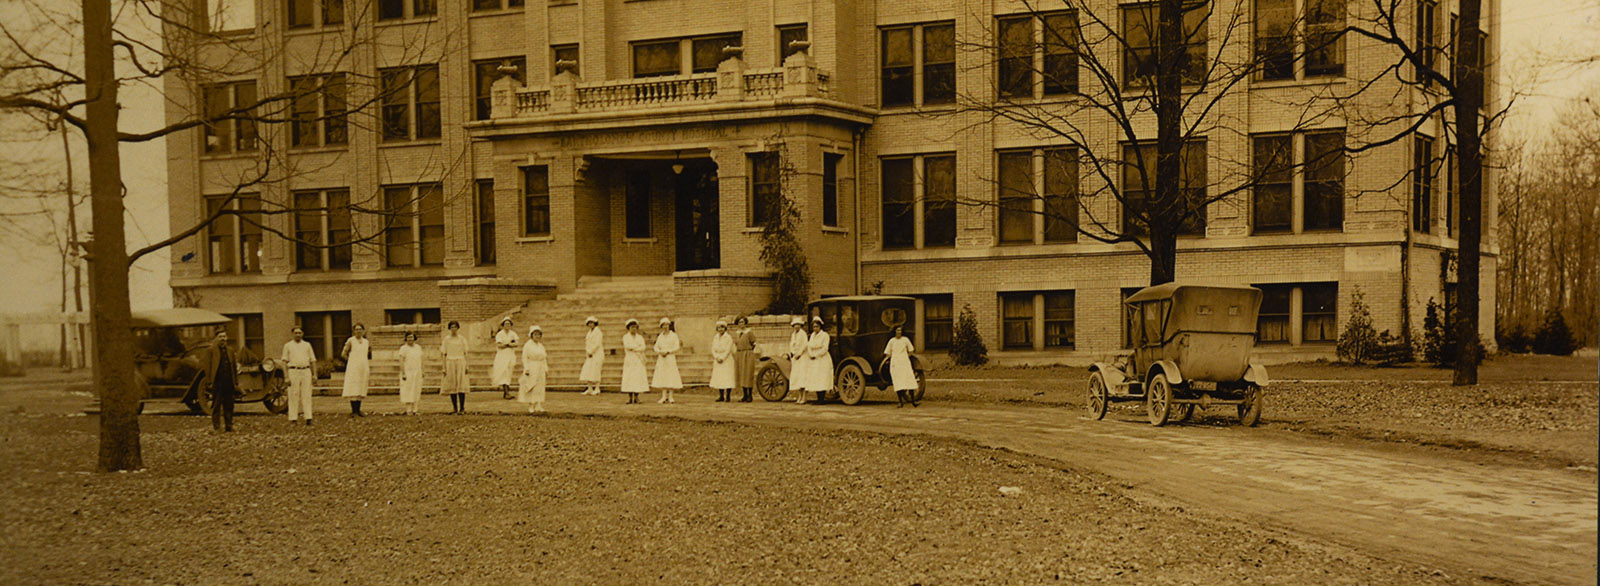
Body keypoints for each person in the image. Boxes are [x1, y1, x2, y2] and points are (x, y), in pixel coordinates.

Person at [200, 328, 237, 432]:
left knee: (229, 404)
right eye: (220, 337)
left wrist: (235, 382)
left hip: (228, 381)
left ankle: (229, 425)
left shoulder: (230, 350)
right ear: (216, 338)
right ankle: (216, 426)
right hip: (217, 381)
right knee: (216, 404)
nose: (222, 339)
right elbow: (207, 367)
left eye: (224, 336)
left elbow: (233, 367)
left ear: (227, 338)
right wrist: (209, 381)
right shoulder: (211, 351)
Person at [280, 326, 316, 426]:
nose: (298, 335)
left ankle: (308, 417)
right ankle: (293, 418)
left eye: (299, 333)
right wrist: (286, 376)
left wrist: (314, 375)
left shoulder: (307, 345)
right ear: (292, 334)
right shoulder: (288, 346)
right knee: (293, 395)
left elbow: (313, 360)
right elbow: (284, 362)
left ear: (303, 334)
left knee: (307, 395)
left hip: (306, 370)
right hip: (293, 371)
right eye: (296, 333)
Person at [340, 323, 372, 417]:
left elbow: (366, 354)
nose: (358, 331)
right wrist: (351, 361)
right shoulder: (351, 341)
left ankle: (358, 410)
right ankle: (353, 411)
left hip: (363, 367)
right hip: (353, 367)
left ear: (363, 331)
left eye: (360, 329)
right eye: (356, 329)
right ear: (354, 331)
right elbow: (343, 353)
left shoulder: (366, 342)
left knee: (361, 387)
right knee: (353, 387)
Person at [884, 325, 919, 407]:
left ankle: (913, 401)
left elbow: (911, 350)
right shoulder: (892, 341)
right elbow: (887, 353)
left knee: (909, 380)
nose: (899, 332)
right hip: (896, 363)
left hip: (905, 362)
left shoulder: (905, 340)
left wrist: (905, 356)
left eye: (900, 330)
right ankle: (900, 402)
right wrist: (893, 357)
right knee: (898, 382)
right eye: (897, 330)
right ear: (894, 331)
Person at [441, 321, 470, 414]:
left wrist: (467, 365)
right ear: (449, 329)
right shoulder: (446, 340)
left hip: (460, 361)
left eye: (455, 327)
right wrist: (444, 367)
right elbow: (444, 354)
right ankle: (455, 407)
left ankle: (462, 408)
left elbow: (466, 353)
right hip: (450, 362)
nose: (454, 329)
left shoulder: (462, 339)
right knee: (452, 385)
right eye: (452, 327)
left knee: (461, 385)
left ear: (458, 328)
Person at [652, 317, 682, 404]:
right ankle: (664, 396)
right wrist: (660, 352)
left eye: (667, 325)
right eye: (663, 325)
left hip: (670, 357)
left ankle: (671, 397)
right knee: (663, 376)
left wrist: (668, 351)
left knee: (671, 375)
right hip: (662, 358)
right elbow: (655, 347)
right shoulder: (660, 336)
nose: (665, 327)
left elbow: (677, 346)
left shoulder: (674, 335)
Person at [519, 325, 548, 413]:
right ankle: (531, 405)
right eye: (535, 335)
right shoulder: (527, 345)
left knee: (540, 386)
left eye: (539, 335)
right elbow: (524, 358)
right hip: (532, 366)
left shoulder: (541, 346)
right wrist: (526, 368)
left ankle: (538, 404)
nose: (537, 337)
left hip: (540, 367)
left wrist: (546, 368)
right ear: (531, 335)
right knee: (532, 385)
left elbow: (544, 358)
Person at [804, 316, 833, 403]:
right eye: (814, 327)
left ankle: (822, 398)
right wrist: (811, 354)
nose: (815, 328)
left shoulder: (825, 335)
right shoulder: (812, 335)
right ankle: (818, 398)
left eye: (817, 326)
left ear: (820, 327)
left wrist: (816, 355)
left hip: (822, 358)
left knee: (822, 378)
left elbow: (825, 348)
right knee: (815, 378)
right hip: (813, 359)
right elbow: (809, 346)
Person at [619, 319, 648, 404]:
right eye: (632, 327)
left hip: (638, 359)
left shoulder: (640, 337)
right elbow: (628, 346)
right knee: (629, 377)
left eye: (635, 327)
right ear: (628, 328)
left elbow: (643, 347)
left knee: (637, 377)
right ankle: (629, 397)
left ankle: (636, 397)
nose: (633, 329)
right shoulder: (626, 337)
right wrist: (637, 348)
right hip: (630, 359)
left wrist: (635, 349)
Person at [396, 332, 424, 415]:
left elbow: (421, 360)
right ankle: (408, 410)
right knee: (408, 390)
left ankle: (415, 409)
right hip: (408, 372)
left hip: (417, 371)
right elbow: (401, 361)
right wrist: (403, 372)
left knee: (416, 389)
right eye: (408, 337)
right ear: (406, 338)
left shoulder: (418, 347)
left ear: (414, 338)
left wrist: (423, 370)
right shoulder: (403, 348)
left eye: (411, 337)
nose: (410, 339)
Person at [491, 318, 519, 400]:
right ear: (503, 325)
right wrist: (509, 344)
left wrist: (507, 344)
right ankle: (506, 392)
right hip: (502, 356)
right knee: (504, 372)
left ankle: (506, 392)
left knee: (509, 372)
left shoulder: (513, 334)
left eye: (509, 324)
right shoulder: (500, 334)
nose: (507, 326)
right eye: (506, 324)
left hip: (510, 355)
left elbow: (516, 343)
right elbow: (499, 345)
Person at [709, 320, 735, 402]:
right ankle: (721, 395)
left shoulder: (728, 338)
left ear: (725, 328)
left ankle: (728, 395)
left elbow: (728, 349)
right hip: (718, 358)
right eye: (719, 328)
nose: (720, 329)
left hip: (726, 359)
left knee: (727, 377)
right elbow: (713, 348)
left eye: (722, 327)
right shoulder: (715, 337)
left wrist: (723, 358)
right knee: (720, 377)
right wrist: (716, 357)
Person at [733, 316, 757, 402]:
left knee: (748, 374)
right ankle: (744, 395)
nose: (741, 324)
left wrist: (749, 352)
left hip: (748, 354)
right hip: (739, 354)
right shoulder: (737, 333)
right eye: (739, 322)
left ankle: (750, 395)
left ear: (745, 323)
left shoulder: (749, 332)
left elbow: (754, 343)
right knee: (741, 374)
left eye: (742, 322)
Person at [787, 317, 809, 404]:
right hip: (795, 358)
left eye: (798, 325)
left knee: (803, 376)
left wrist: (799, 353)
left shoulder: (803, 334)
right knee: (797, 377)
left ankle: (804, 397)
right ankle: (799, 396)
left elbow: (804, 345)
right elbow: (791, 345)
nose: (796, 326)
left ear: (801, 326)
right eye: (795, 325)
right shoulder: (793, 334)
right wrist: (793, 353)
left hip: (802, 357)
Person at [579, 316, 604, 395]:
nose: (590, 325)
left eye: (592, 323)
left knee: (596, 370)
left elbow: (597, 344)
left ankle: (597, 388)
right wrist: (588, 351)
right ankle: (589, 388)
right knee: (588, 370)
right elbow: (587, 343)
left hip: (597, 354)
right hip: (589, 354)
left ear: (595, 323)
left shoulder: (598, 332)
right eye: (589, 323)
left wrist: (591, 351)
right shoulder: (589, 332)